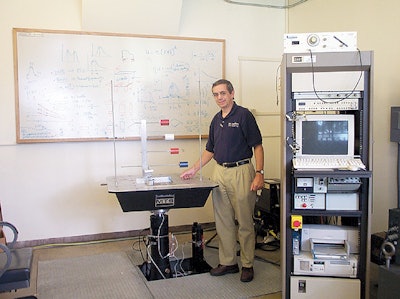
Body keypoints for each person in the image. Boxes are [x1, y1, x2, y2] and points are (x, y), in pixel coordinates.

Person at [180, 79, 264, 282]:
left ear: (232, 93)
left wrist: (259, 173)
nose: (220, 97)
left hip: (242, 171)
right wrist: (193, 169)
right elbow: (210, 150)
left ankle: (247, 264)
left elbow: (258, 146)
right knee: (223, 221)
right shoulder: (216, 120)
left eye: (223, 93)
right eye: (216, 94)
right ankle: (228, 262)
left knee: (244, 222)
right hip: (219, 172)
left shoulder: (244, 115)